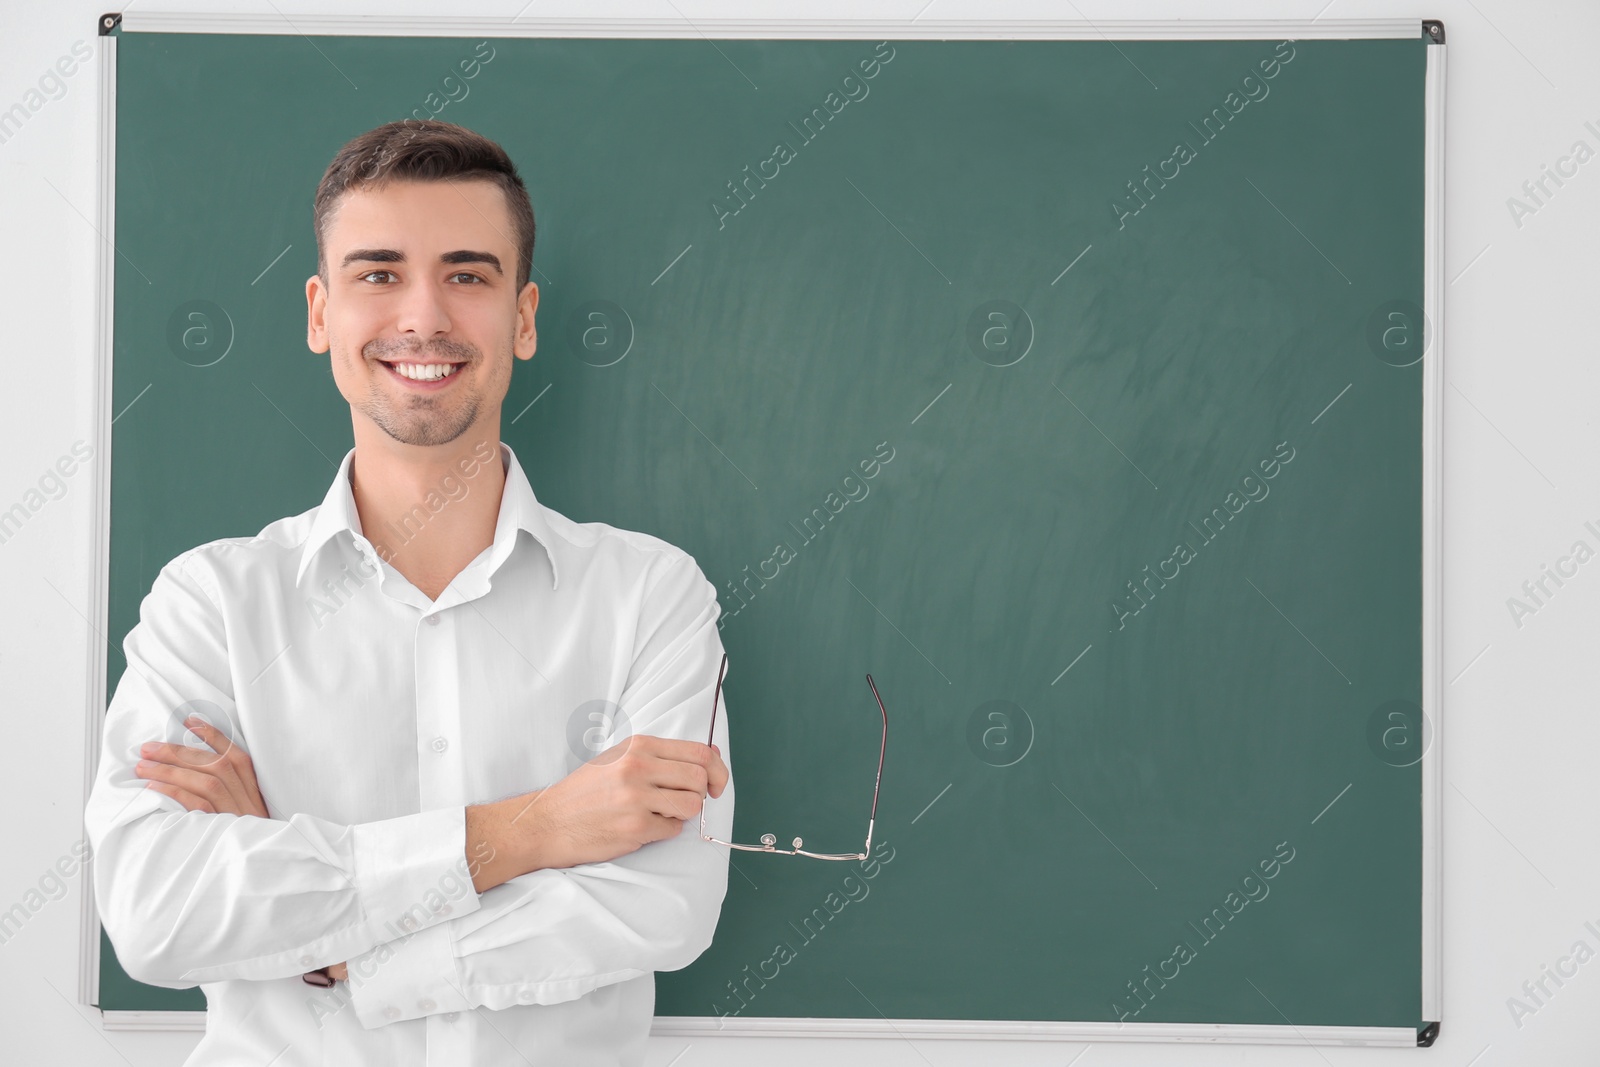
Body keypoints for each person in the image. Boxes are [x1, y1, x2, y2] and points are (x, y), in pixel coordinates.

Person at [83, 119, 734, 1066]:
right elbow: (155, 913)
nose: (423, 317)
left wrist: (337, 953)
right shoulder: (211, 603)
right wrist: (536, 827)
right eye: (378, 273)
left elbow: (663, 903)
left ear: (523, 316)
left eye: (467, 274)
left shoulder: (651, 595)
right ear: (319, 314)